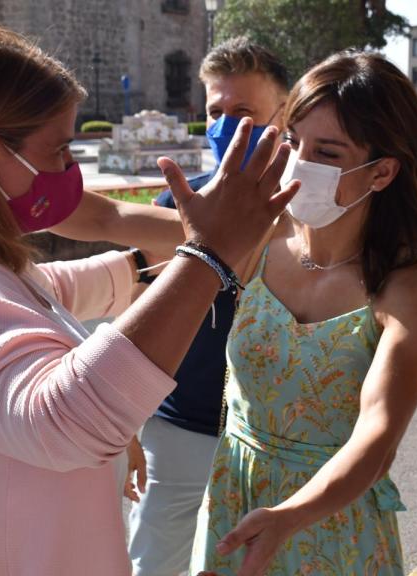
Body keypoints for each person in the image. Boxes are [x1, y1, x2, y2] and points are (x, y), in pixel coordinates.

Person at [0, 26, 296, 576]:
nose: (67, 168)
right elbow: (69, 422)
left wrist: (139, 271)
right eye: (58, 149)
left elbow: (33, 294)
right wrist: (208, 258)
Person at [189, 51, 417, 576]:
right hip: (232, 505)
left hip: (332, 529)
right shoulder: (259, 235)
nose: (297, 163)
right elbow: (117, 223)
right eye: (293, 142)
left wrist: (290, 516)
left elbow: (377, 438)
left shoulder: (409, 290)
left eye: (327, 153)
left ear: (381, 172)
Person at [126, 36, 290, 576]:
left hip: (269, 441)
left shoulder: (314, 217)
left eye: (244, 112)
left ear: (283, 113)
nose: (226, 126)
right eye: (216, 111)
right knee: (150, 565)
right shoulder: (175, 203)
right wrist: (125, 422)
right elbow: (138, 314)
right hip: (175, 428)